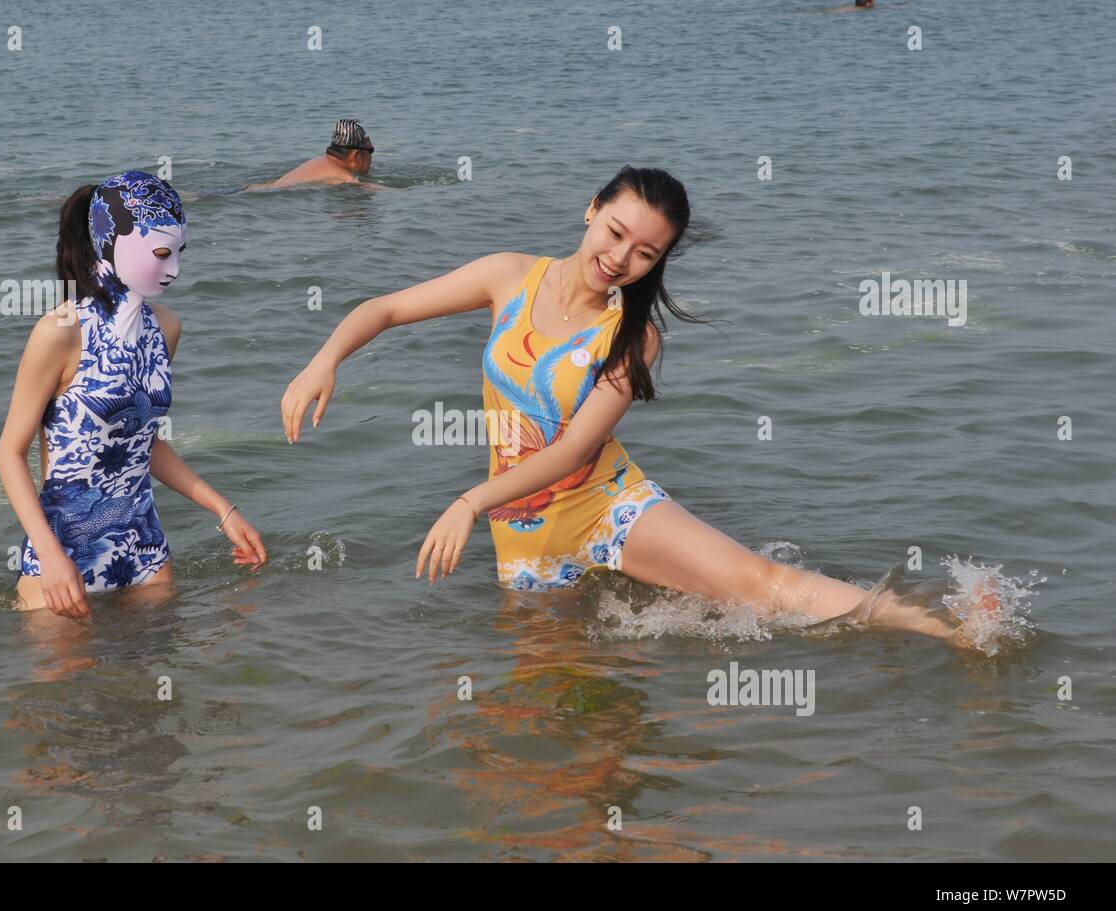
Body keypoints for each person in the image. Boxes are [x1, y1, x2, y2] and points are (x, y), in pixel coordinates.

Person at [280, 165, 982, 645]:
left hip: (604, 502)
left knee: (755, 583)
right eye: (615, 233)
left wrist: (469, 501)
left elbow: (573, 451)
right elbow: (387, 307)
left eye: (645, 253)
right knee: (547, 724)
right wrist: (324, 359)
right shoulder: (509, 277)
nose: (620, 258)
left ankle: (941, 629)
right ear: (591, 210)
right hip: (523, 531)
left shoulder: (634, 337)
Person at [0, 171, 266, 617]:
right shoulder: (59, 334)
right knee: (61, 687)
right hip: (62, 557)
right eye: (161, 253)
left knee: (159, 681)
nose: (175, 268)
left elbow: (141, 441)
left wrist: (223, 509)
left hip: (145, 550)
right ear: (112, 244)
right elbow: (10, 452)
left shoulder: (166, 328)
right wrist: (49, 556)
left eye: (181, 252)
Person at [246, 119, 375, 190]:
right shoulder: (344, 178)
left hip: (251, 189)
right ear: (356, 156)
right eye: (370, 151)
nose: (371, 158)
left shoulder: (316, 162)